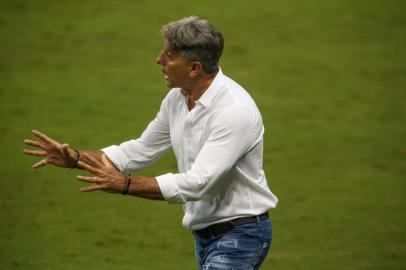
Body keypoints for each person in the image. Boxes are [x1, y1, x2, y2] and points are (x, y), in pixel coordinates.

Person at [24, 16, 278, 269]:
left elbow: (198, 183)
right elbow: (139, 150)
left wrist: (125, 184)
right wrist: (77, 159)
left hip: (241, 234)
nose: (159, 60)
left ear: (194, 68)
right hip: (206, 234)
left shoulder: (234, 112)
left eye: (169, 55)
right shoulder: (178, 99)